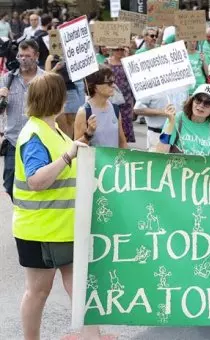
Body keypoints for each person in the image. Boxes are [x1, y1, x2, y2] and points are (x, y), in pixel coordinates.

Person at [13, 72, 105, 340]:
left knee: (80, 289)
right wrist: (68, 156)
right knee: (38, 291)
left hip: (63, 229)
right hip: (40, 232)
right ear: (56, 98)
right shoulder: (34, 135)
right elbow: (36, 180)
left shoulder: (52, 130)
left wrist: (83, 140)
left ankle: (93, 337)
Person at [0, 39, 44, 200]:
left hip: (37, 140)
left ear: (37, 56)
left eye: (28, 56)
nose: (23, 59)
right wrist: (1, 97)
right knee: (10, 184)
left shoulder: (45, 79)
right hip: (13, 141)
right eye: (20, 56)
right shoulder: (8, 79)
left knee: (36, 183)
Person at [156, 84, 210, 156]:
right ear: (192, 101)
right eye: (198, 100)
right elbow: (160, 154)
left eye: (207, 103)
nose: (201, 105)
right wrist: (170, 123)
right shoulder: (177, 118)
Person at [74, 65, 127, 148]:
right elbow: (76, 148)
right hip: (94, 160)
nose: (113, 85)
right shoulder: (84, 112)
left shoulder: (115, 109)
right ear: (95, 87)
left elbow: (122, 142)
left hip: (113, 160)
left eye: (113, 82)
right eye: (109, 83)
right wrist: (89, 133)